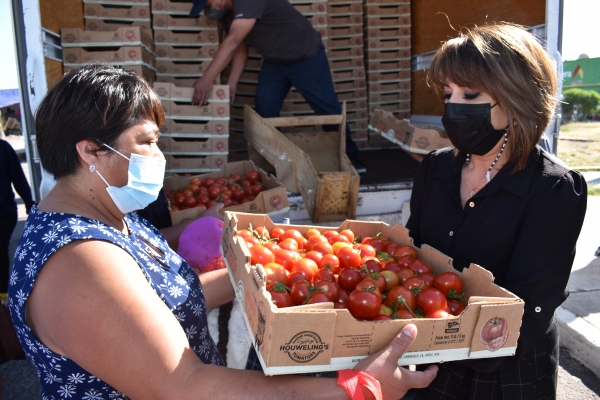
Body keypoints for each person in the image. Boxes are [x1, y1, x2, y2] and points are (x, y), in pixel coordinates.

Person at [8, 63, 437, 399]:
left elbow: (172, 295)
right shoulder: (79, 259)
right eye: (146, 141)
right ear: (90, 152)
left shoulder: (111, 215)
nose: (159, 156)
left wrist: (274, 275)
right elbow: (182, 388)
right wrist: (355, 388)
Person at [405, 23, 587, 399]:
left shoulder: (553, 190)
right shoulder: (435, 169)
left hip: (502, 366)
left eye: (470, 94)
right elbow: (411, 257)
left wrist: (449, 342)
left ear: (516, 99)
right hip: (427, 355)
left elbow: (531, 304)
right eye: (447, 93)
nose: (454, 107)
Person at [188, 0, 368, 174]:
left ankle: (351, 158)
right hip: (275, 62)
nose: (207, 11)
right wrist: (233, 82)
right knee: (266, 108)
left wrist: (206, 79)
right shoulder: (228, 15)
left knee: (327, 108)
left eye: (206, 4)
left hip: (305, 57)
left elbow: (233, 40)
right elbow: (240, 46)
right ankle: (280, 162)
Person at [0, 138, 33, 294]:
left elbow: (18, 178)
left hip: (4, 213)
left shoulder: (3, 148)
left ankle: (3, 294)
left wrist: (29, 203)